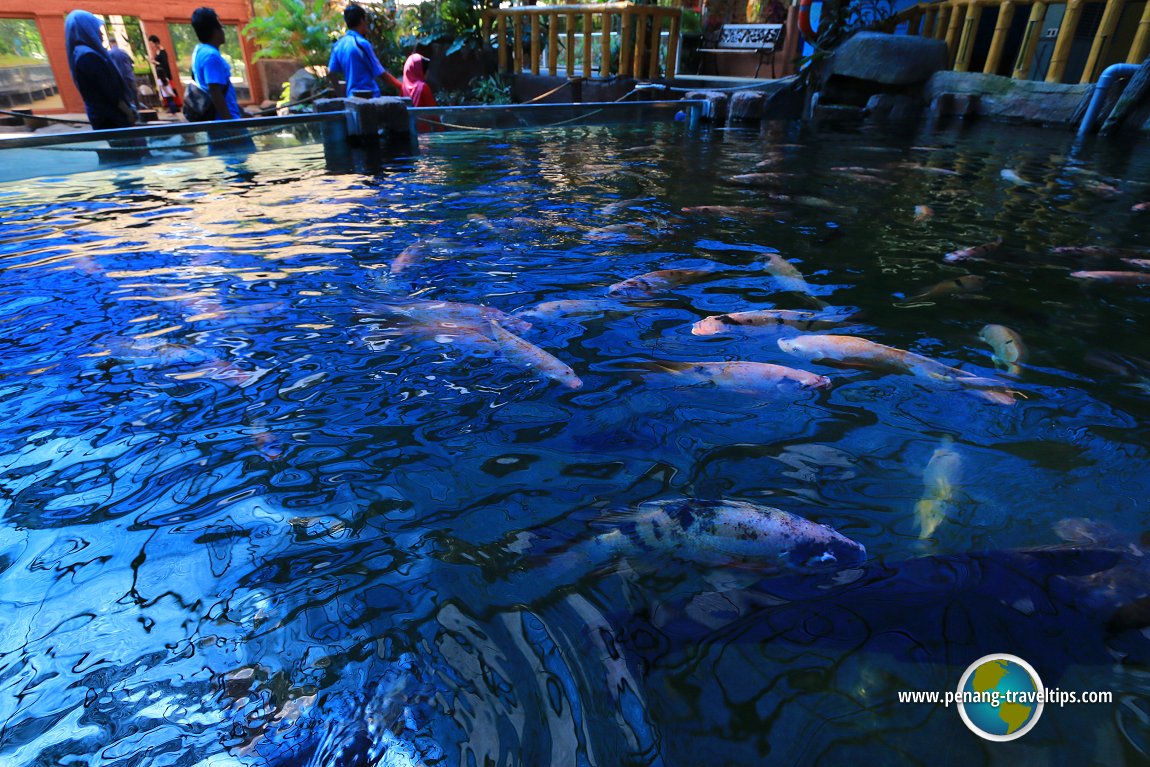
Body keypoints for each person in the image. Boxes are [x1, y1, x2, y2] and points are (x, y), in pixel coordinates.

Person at [64, 10, 137, 130]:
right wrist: (127, 111)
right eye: (96, 28)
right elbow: (109, 91)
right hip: (112, 118)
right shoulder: (88, 57)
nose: (101, 34)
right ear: (85, 29)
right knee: (130, 147)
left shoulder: (81, 54)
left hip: (105, 115)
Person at [328, 3, 402, 98]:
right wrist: (401, 86)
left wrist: (340, 96)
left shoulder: (338, 45)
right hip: (369, 98)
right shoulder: (361, 43)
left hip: (352, 99)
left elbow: (331, 72)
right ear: (362, 20)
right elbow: (381, 73)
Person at [190, 7, 244, 120]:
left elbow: (222, 90)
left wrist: (241, 111)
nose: (223, 31)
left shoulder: (200, 51)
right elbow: (214, 91)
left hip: (219, 120)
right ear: (215, 30)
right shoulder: (211, 56)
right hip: (224, 122)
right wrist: (229, 123)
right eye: (221, 27)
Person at [401, 53, 440, 132]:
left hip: (409, 132)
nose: (427, 72)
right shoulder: (423, 87)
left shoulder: (403, 87)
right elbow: (434, 113)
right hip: (424, 135)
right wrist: (441, 134)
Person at [148, 34, 180, 114]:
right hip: (160, 74)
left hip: (165, 75)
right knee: (164, 91)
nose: (152, 46)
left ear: (156, 43)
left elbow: (165, 64)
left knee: (168, 90)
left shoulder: (163, 52)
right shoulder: (157, 52)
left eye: (152, 43)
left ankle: (174, 107)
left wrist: (156, 62)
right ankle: (170, 106)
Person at [107, 39, 138, 108]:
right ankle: (139, 109)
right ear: (116, 43)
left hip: (120, 78)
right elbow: (131, 62)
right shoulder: (124, 52)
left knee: (125, 97)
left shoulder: (109, 54)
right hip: (129, 76)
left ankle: (132, 111)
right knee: (134, 94)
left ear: (110, 43)